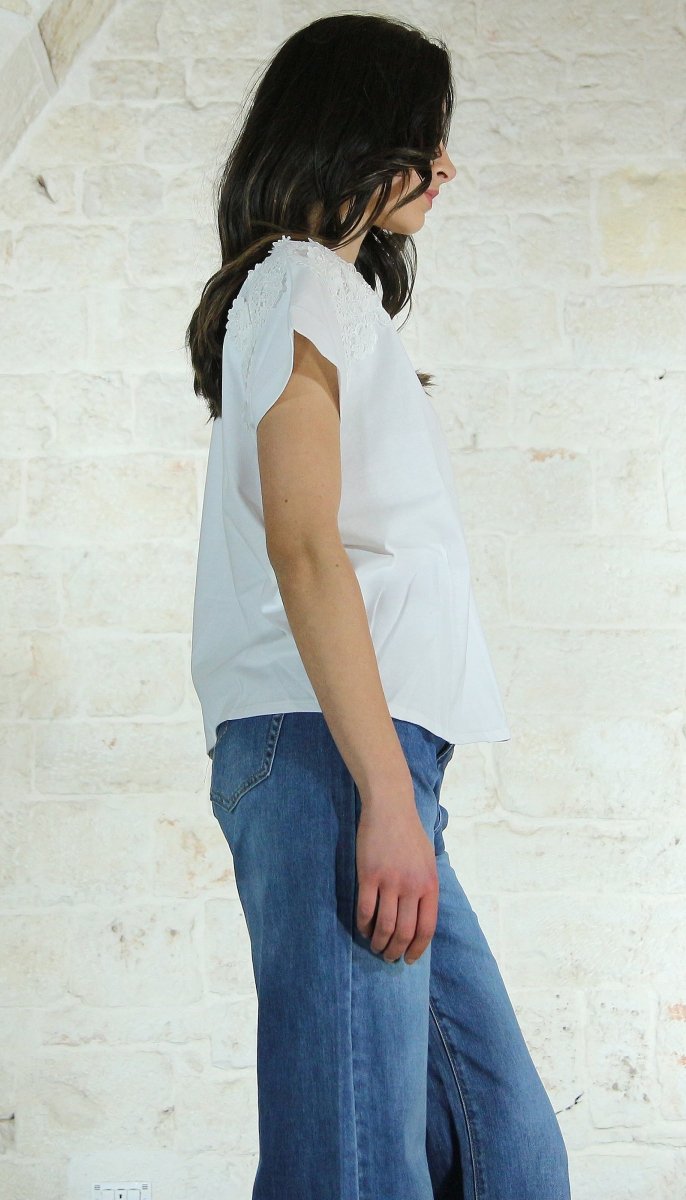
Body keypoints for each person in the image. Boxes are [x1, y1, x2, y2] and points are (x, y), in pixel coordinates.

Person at [186, 13, 572, 1200]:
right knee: (352, 1170)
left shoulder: (327, 296)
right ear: (355, 134)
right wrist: (384, 796)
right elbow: (306, 546)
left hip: (366, 758)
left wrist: (401, 790)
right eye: (424, 137)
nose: (445, 166)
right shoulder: (300, 283)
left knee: (509, 1155)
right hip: (331, 754)